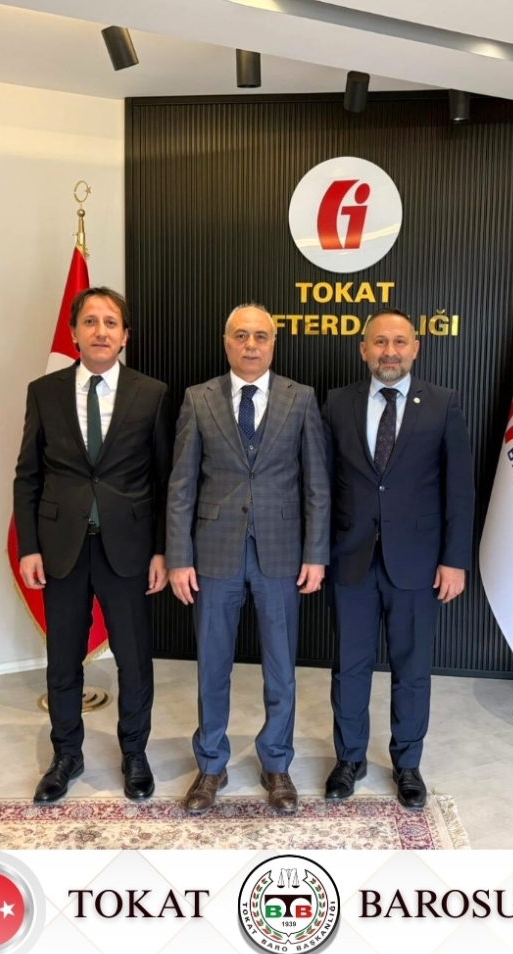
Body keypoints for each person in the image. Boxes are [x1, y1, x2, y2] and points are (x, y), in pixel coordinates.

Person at [167, 303, 329, 815]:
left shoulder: (300, 398)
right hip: (214, 554)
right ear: (226, 342)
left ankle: (276, 762)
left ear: (273, 343)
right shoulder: (198, 399)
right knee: (212, 666)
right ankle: (211, 764)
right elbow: (181, 486)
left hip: (281, 554)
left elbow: (317, 485)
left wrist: (316, 554)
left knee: (281, 669)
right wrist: (178, 556)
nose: (251, 344)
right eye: (241, 335)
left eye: (261, 336)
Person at [13, 286, 172, 805]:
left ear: (125, 336)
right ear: (74, 332)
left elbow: (164, 479)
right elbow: (28, 475)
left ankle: (135, 753)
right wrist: (29, 547)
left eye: (110, 323)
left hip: (128, 549)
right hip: (61, 549)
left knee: (134, 661)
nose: (100, 331)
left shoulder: (152, 393)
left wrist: (161, 550)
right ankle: (66, 755)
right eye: (90, 321)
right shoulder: (45, 391)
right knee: (63, 661)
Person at [321, 308, 475, 809]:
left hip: (419, 562)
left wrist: (454, 560)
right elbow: (323, 485)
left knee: (411, 669)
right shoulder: (337, 403)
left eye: (400, 342)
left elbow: (460, 490)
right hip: (351, 559)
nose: (390, 352)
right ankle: (350, 759)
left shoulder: (443, 403)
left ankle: (407, 764)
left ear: (415, 348)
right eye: (380, 342)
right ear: (363, 349)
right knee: (349, 667)